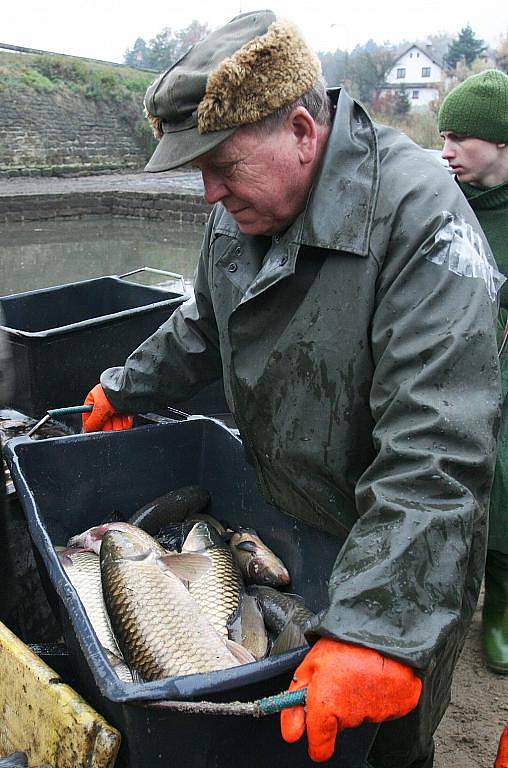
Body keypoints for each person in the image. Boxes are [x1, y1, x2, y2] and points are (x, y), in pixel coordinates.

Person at [83, 12, 503, 767]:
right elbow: (203, 326)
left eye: (221, 164)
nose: (208, 192)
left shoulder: (424, 218)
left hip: (404, 539)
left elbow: (436, 447)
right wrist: (125, 388)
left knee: (387, 745)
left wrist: (376, 626)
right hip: (288, 514)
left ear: (304, 130)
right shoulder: (244, 206)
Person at [439, 69, 508, 675]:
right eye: (442, 136)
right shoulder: (438, 203)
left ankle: (501, 605)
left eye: (461, 138)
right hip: (444, 368)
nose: (446, 151)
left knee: (505, 481)